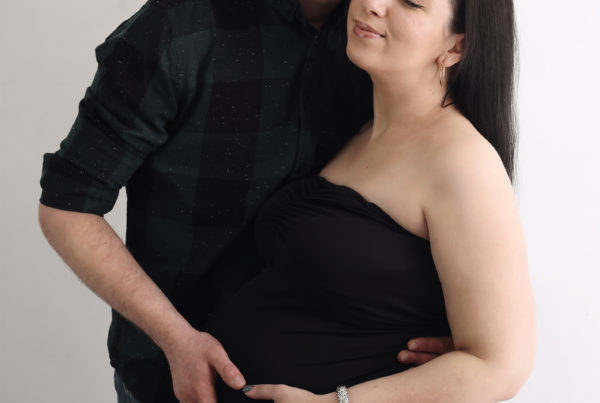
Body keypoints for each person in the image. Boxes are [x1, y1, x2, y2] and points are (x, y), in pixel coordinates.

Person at [37, 0, 455, 402]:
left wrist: (457, 339)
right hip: (175, 379)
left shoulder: (380, 31)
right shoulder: (176, 28)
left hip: (347, 386)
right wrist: (176, 338)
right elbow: (68, 207)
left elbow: (436, 185)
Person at [202, 0, 537, 401]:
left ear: (455, 47)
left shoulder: (462, 161)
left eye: (411, 2)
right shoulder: (356, 126)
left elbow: (500, 365)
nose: (373, 3)